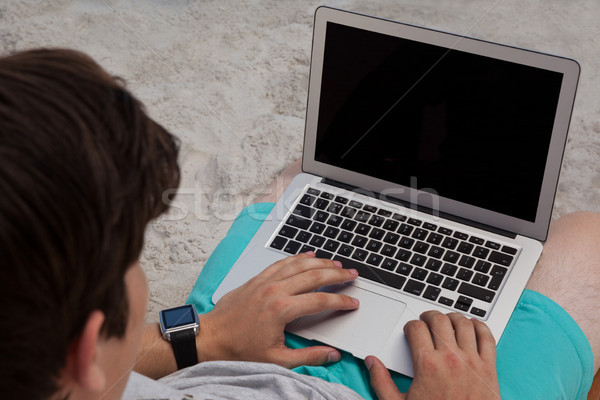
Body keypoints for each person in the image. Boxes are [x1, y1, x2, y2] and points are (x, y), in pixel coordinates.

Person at [0, 48, 597, 400]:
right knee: (589, 237)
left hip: (221, 348)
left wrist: (201, 337)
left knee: (304, 182)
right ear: (85, 350)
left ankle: (400, 138)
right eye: (129, 257)